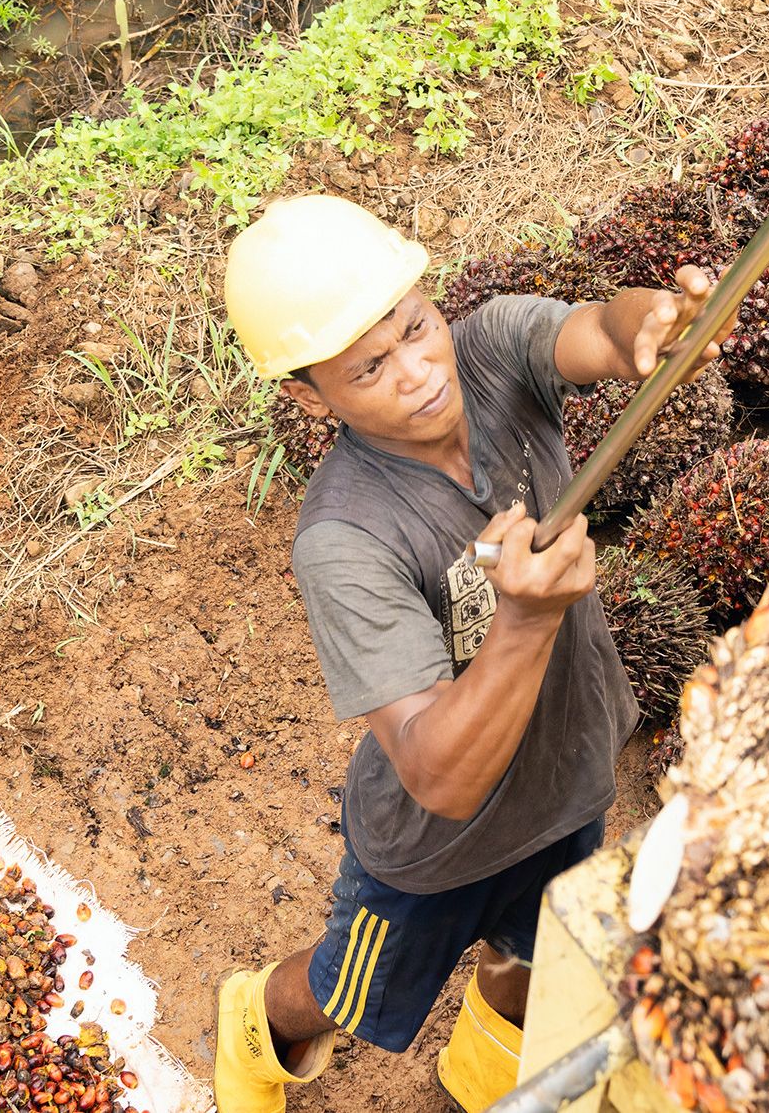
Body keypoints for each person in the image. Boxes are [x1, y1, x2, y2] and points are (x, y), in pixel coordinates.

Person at [212, 194, 717, 1113]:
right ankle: (255, 1020)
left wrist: (658, 324)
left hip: (569, 776)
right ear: (307, 394)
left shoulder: (489, 352)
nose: (417, 372)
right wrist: (524, 623)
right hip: (432, 855)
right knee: (349, 998)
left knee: (536, 949)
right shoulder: (346, 539)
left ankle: (480, 1078)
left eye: (414, 327)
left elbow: (599, 330)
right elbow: (439, 778)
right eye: (369, 367)